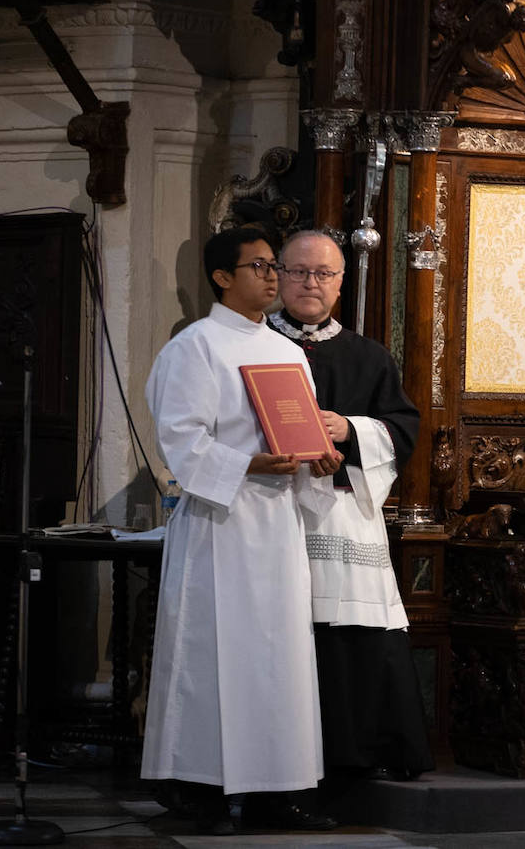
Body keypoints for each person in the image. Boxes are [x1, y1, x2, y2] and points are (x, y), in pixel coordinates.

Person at [142, 227, 342, 834]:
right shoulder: (194, 348)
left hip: (276, 527)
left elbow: (299, 433)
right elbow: (180, 441)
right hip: (219, 526)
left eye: (273, 265)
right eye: (259, 266)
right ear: (222, 277)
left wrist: (319, 461)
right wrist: (247, 463)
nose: (275, 277)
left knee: (277, 659)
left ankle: (276, 793)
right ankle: (197, 789)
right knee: (212, 656)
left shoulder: (287, 353)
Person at [268, 230, 433, 782]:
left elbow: (404, 430)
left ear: (341, 283)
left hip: (342, 515)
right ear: (277, 276)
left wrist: (350, 429)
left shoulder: (368, 356)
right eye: (297, 271)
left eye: (323, 274)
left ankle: (357, 754)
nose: (310, 283)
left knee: (351, 634)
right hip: (273, 510)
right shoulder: (253, 346)